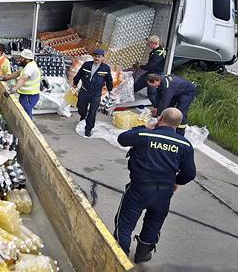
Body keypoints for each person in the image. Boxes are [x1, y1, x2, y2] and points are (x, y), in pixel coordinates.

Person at [114, 107, 195, 263]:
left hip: (138, 189)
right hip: (164, 193)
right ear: (177, 125)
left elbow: (122, 138)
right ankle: (142, 254)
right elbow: (190, 173)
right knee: (153, 223)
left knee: (124, 224)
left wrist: (146, 127)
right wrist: (176, 182)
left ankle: (119, 258)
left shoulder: (144, 135)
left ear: (160, 119)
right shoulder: (184, 144)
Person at [73, 49, 113, 137]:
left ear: (102, 58)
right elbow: (79, 75)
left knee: (92, 112)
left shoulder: (105, 68)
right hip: (84, 91)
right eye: (95, 56)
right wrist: (75, 83)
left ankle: (88, 129)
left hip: (96, 93)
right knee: (81, 107)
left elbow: (109, 80)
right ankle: (83, 116)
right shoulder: (86, 65)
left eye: (99, 57)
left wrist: (110, 90)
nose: (97, 58)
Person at [0, 49, 41, 118]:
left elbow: (23, 79)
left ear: (27, 59)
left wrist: (12, 90)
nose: (20, 59)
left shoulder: (30, 67)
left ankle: (28, 128)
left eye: (22, 58)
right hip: (26, 95)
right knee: (24, 112)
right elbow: (17, 73)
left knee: (26, 113)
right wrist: (4, 78)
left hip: (30, 96)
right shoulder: (28, 65)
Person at [133, 35, 166, 105]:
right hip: (151, 72)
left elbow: (151, 66)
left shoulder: (158, 54)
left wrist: (140, 66)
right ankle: (129, 94)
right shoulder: (158, 50)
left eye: (149, 43)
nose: (148, 45)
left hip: (155, 74)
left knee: (151, 93)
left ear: (154, 43)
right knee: (137, 85)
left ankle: (157, 108)